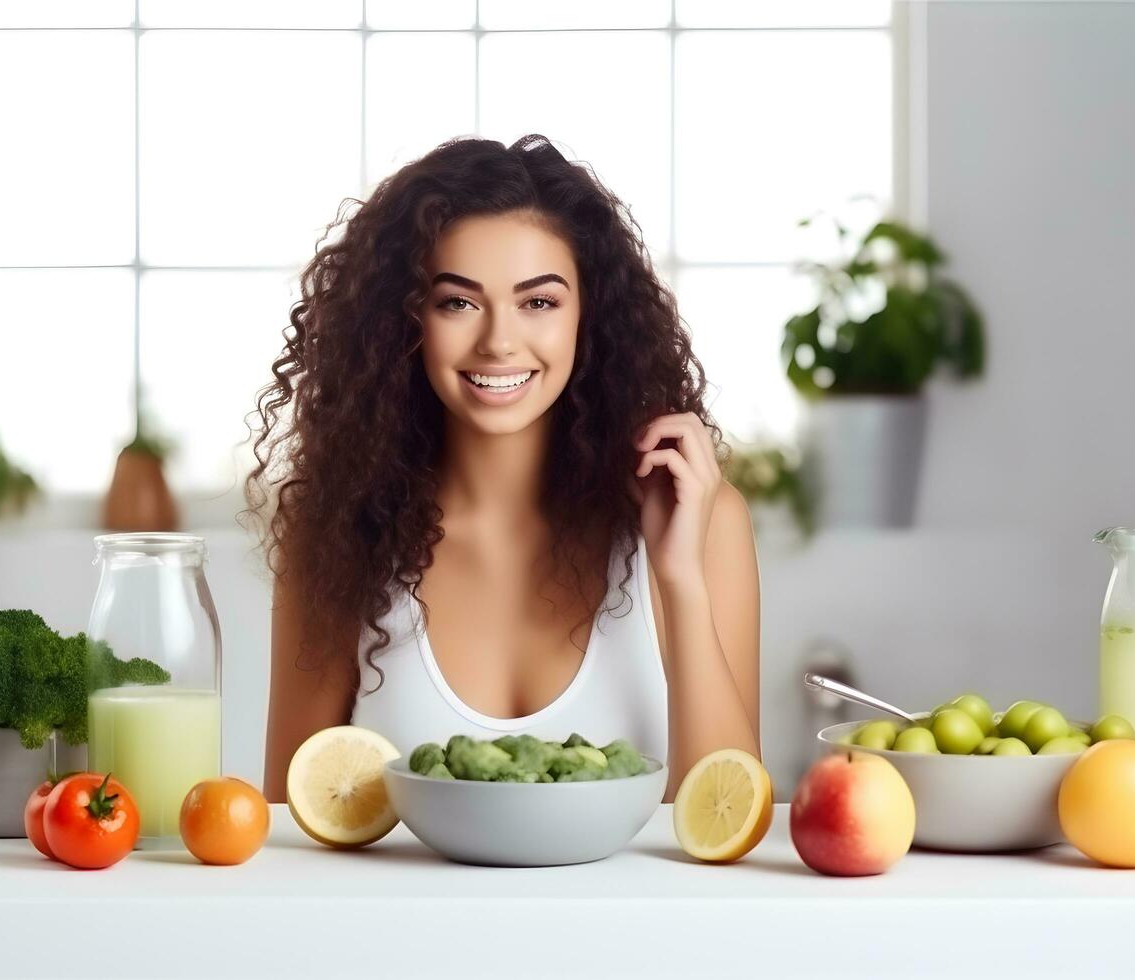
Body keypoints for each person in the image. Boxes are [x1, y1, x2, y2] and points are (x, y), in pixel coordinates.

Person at [252, 135, 760, 801]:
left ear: (590, 316)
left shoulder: (704, 520)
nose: (498, 341)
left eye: (539, 302)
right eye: (456, 302)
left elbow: (729, 815)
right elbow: (295, 815)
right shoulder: (342, 530)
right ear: (402, 323)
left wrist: (679, 578)